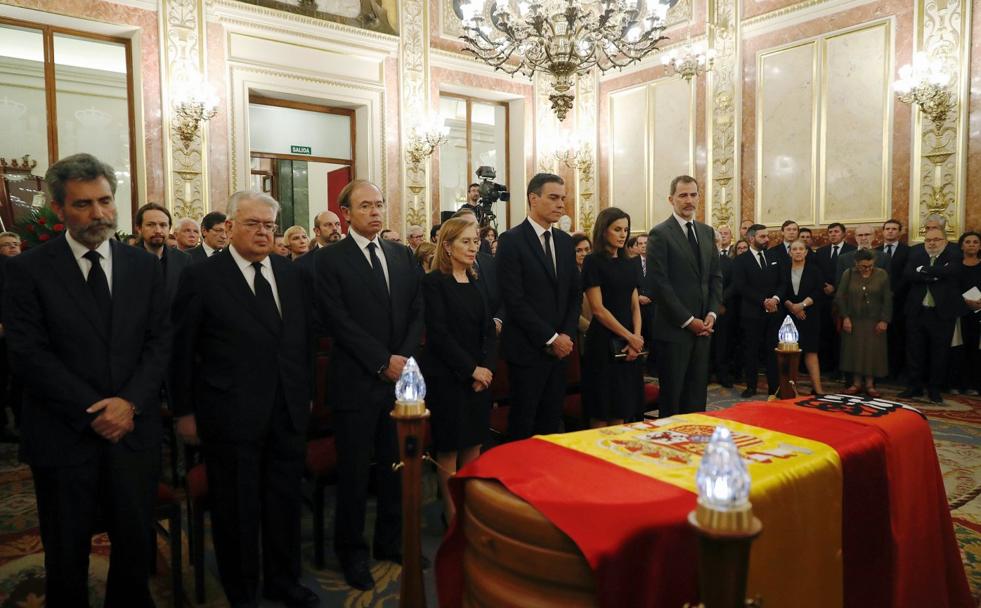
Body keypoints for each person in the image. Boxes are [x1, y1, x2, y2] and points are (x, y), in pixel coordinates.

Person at [3, 153, 170, 606]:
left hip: (133, 433)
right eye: (83, 205)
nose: (99, 214)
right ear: (58, 209)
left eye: (105, 201)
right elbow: (28, 354)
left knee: (134, 545)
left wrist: (128, 404)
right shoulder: (26, 270)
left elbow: (159, 344)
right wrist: (95, 410)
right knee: (66, 550)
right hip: (62, 434)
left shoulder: (144, 267)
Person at [171, 191, 318, 608]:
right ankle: (242, 590)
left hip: (286, 410)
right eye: (252, 224)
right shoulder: (202, 276)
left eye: (269, 225)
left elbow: (302, 341)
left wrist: (304, 392)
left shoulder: (290, 274)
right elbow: (181, 350)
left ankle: (282, 581)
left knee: (284, 503)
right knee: (236, 509)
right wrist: (184, 411)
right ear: (230, 226)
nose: (262, 232)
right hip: (229, 413)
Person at [315, 179, 424, 590]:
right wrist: (382, 361)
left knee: (396, 470)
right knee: (356, 474)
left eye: (379, 204)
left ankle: (390, 542)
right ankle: (352, 552)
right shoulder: (330, 259)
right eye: (366, 206)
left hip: (399, 381)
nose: (376, 212)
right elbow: (337, 320)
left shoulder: (401, 254)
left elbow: (418, 310)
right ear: (345, 213)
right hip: (357, 382)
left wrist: (401, 358)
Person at [421, 218, 497, 523]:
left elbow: (488, 332)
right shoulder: (433, 283)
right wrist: (471, 370)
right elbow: (438, 335)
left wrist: (486, 369)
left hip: (478, 378)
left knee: (474, 444)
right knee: (450, 447)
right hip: (448, 377)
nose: (472, 247)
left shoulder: (477, 280)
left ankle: (470, 508)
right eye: (465, 241)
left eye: (475, 241)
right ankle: (452, 515)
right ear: (448, 246)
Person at [496, 173, 581, 438]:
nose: (560, 205)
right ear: (533, 199)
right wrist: (551, 337)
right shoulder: (511, 241)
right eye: (553, 198)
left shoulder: (566, 242)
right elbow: (514, 299)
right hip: (527, 349)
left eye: (563, 199)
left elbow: (574, 294)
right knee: (523, 422)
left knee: (551, 422)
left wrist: (565, 335)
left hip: (560, 351)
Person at [646, 175, 722, 416]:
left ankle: (695, 442)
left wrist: (711, 313)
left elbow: (715, 277)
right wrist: (689, 321)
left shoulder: (707, 232)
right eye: (683, 195)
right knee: (673, 398)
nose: (689, 200)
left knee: (697, 395)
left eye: (693, 194)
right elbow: (659, 284)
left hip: (703, 330)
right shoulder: (660, 234)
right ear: (671, 199)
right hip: (674, 330)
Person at [582, 208, 644, 427]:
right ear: (603, 230)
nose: (623, 235)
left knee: (621, 407)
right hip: (602, 341)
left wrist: (636, 338)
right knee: (601, 409)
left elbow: (635, 305)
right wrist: (629, 337)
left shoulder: (630, 264)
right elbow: (598, 309)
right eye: (617, 229)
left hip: (629, 341)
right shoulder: (593, 262)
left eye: (626, 230)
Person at [899, 227, 965, 404]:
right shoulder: (916, 254)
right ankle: (914, 387)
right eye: (928, 240)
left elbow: (952, 271)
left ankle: (934, 389)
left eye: (936, 239)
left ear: (945, 241)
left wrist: (923, 270)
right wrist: (934, 274)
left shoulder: (954, 253)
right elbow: (908, 274)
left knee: (939, 353)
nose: (932, 243)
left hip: (941, 314)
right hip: (917, 312)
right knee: (914, 351)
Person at [733, 223, 785, 398]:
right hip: (752, 313)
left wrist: (775, 299)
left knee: (772, 351)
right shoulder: (741, 260)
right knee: (751, 351)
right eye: (762, 236)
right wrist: (763, 301)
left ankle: (774, 387)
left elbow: (783, 282)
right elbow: (741, 286)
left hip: (774, 312)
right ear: (751, 238)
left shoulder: (774, 256)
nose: (766, 239)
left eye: (767, 236)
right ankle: (751, 386)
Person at [836, 249, 892, 397]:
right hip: (854, 320)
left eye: (870, 266)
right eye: (863, 266)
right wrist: (845, 317)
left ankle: (870, 385)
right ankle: (855, 384)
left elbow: (887, 298)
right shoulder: (848, 274)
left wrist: (884, 320)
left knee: (872, 353)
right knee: (855, 352)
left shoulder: (882, 274)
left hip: (874, 320)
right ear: (856, 264)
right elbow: (840, 297)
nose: (867, 269)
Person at [782, 240, 825, 394]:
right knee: (790, 353)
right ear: (790, 252)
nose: (798, 251)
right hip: (788, 316)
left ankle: (818, 388)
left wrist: (802, 305)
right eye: (795, 249)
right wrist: (792, 307)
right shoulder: (783, 269)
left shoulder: (815, 270)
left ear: (806, 252)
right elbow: (780, 290)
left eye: (801, 249)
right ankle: (789, 389)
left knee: (811, 351)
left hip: (810, 315)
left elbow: (818, 291)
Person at [134, 202, 191, 307]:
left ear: (169, 228)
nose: (158, 230)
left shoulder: (183, 260)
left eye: (163, 225)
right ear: (139, 228)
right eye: (150, 225)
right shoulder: (126, 258)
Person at [816, 222, 855, 374]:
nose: (833, 234)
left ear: (844, 234)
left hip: (844, 298)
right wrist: (824, 287)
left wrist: (836, 288)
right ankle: (826, 366)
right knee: (826, 333)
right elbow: (816, 272)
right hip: (824, 298)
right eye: (830, 232)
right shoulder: (821, 252)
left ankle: (842, 368)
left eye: (836, 232)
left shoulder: (852, 251)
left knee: (842, 336)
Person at [876, 219, 910, 380]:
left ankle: (896, 372)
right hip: (877, 303)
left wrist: (892, 292)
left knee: (898, 337)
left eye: (894, 229)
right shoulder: (874, 251)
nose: (890, 231)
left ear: (900, 232)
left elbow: (906, 276)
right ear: (882, 232)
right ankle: (880, 371)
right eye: (887, 229)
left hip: (899, 301)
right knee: (880, 338)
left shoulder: (908, 251)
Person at [949, 231, 980, 395]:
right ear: (961, 246)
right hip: (959, 313)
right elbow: (951, 290)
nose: (971, 245)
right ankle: (956, 383)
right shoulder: (955, 266)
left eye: (975, 242)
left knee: (975, 349)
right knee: (958, 349)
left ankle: (973, 384)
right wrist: (966, 302)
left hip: (979, 313)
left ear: (979, 246)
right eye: (968, 242)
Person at [572, 234, 593, 343]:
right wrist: (589, 328)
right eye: (578, 250)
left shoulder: (595, 273)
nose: (584, 254)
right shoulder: (568, 276)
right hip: (578, 333)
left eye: (587, 249)